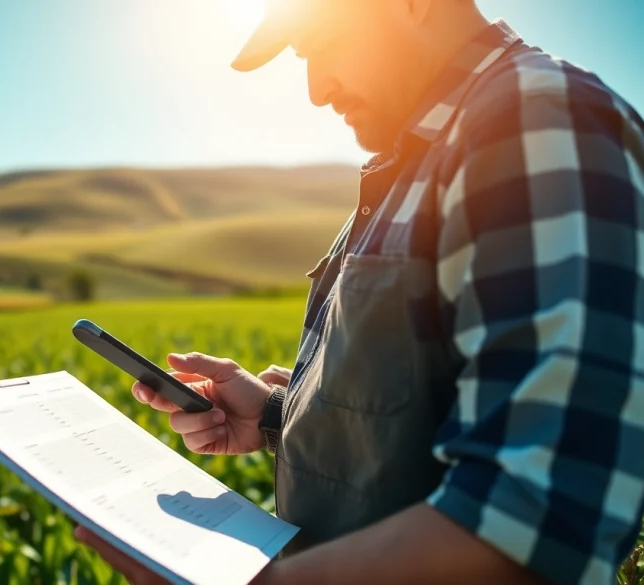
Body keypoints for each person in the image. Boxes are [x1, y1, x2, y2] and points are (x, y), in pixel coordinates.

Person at [72, 0, 644, 584]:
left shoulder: (536, 123)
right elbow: (420, 414)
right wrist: (276, 416)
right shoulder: (415, 161)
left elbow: (539, 517)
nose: (318, 90)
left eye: (321, 45)